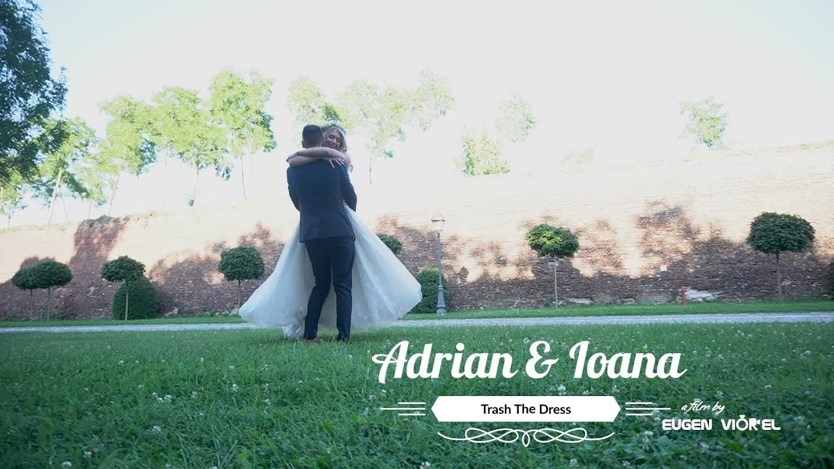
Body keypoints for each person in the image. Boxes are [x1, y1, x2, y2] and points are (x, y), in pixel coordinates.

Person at [239, 125, 422, 340]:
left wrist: (311, 213)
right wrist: (346, 214)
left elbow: (296, 201)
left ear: (304, 144)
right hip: (340, 231)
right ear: (321, 141)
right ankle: (343, 336)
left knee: (320, 284)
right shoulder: (335, 164)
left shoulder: (292, 170)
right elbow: (350, 195)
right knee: (343, 285)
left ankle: (310, 335)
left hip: (311, 233)